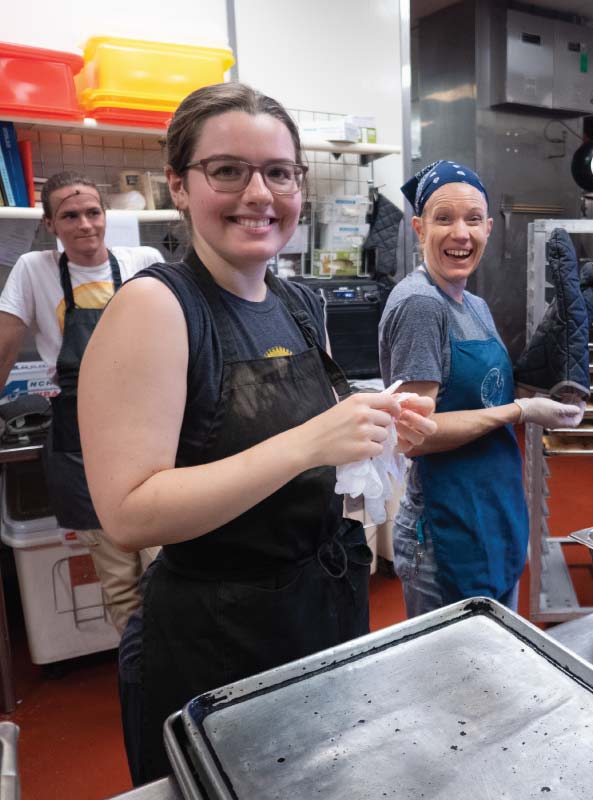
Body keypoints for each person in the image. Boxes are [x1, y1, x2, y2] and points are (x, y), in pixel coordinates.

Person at [77, 82, 436, 784]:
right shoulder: (156, 307)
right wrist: (308, 443)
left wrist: (375, 430)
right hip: (217, 641)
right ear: (179, 185)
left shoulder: (299, 302)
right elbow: (127, 512)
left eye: (278, 172)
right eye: (228, 171)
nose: (259, 194)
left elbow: (305, 447)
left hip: (318, 613)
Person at [378, 160, 584, 618]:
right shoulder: (420, 306)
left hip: (491, 513)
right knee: (452, 683)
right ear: (418, 227)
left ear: (489, 228)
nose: (460, 234)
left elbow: (480, 393)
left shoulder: (474, 304)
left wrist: (553, 385)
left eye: (473, 219)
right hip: (446, 530)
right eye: (443, 218)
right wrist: (521, 411)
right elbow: (416, 434)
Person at [0, 171, 161, 634]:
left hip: (151, 429)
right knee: (121, 583)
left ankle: (178, 671)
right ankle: (141, 679)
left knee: (168, 567)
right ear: (51, 223)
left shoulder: (143, 260)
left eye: (93, 212)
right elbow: (6, 346)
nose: (85, 225)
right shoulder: (35, 270)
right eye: (70, 215)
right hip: (81, 444)